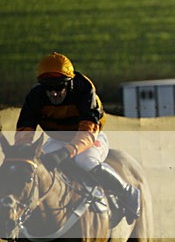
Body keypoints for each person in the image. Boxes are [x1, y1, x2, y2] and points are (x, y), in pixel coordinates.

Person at [15, 52, 141, 222]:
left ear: (69, 84)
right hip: (59, 139)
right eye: (48, 88)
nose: (53, 93)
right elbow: (25, 130)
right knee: (39, 167)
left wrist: (66, 153)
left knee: (84, 161)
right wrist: (23, 152)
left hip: (90, 138)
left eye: (59, 87)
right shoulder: (35, 97)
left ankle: (127, 191)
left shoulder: (84, 90)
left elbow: (88, 131)